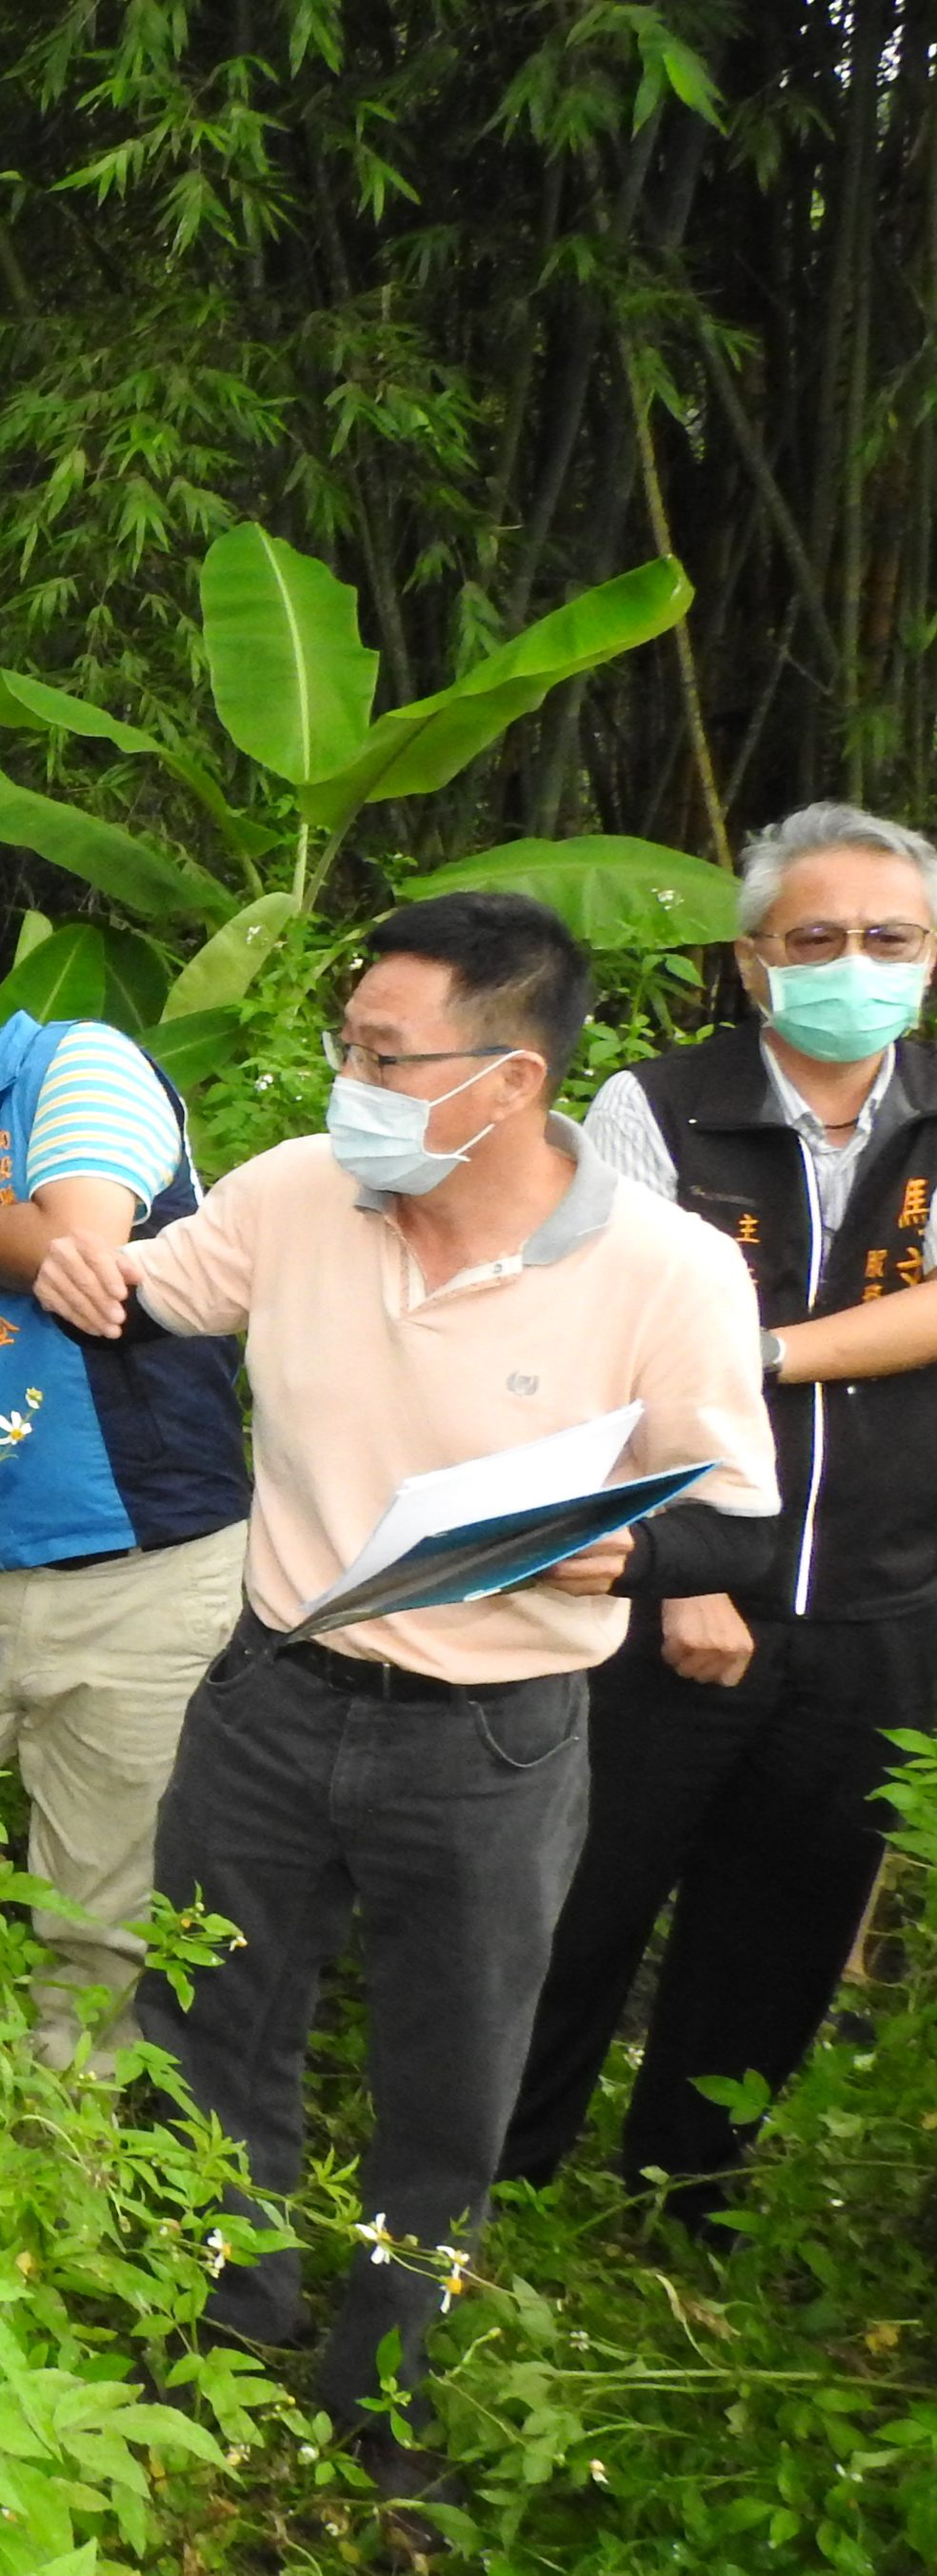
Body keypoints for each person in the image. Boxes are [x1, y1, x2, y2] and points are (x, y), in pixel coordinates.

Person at [28, 892, 778, 2452]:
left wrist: (618, 1556)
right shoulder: (298, 1192)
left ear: (507, 1079)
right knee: (208, 2032)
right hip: (272, 1691)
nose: (344, 1086)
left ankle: (381, 2394)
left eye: (381, 1056)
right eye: (342, 1047)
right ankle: (223, 2333)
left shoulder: (665, 1272)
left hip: (488, 1740)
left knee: (447, 2087)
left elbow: (733, 1533)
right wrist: (70, 1264)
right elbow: (148, 1299)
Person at [507, 803, 937, 2220]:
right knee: (583, 1903)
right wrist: (685, 1574)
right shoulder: (657, 1105)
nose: (855, 962)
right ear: (756, 958)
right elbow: (608, 1341)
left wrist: (759, 1352)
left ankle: (677, 2213)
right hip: (669, 1591)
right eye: (818, 937)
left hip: (878, 1605)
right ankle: (491, 2194)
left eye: (891, 937)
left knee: (786, 1927)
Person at [0, 970, 252, 2060]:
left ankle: (61, 2170)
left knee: (99, 1918)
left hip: (139, 1584)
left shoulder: (76, 1065)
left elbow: (88, 1260)